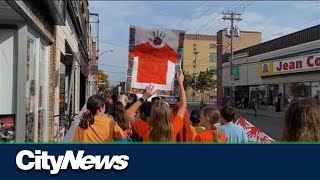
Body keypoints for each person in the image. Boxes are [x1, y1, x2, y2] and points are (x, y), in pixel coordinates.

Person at [125, 72, 187, 142]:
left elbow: (128, 113)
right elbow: (183, 105)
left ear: (152, 114)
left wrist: (144, 97)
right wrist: (181, 83)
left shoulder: (146, 128)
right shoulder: (172, 127)